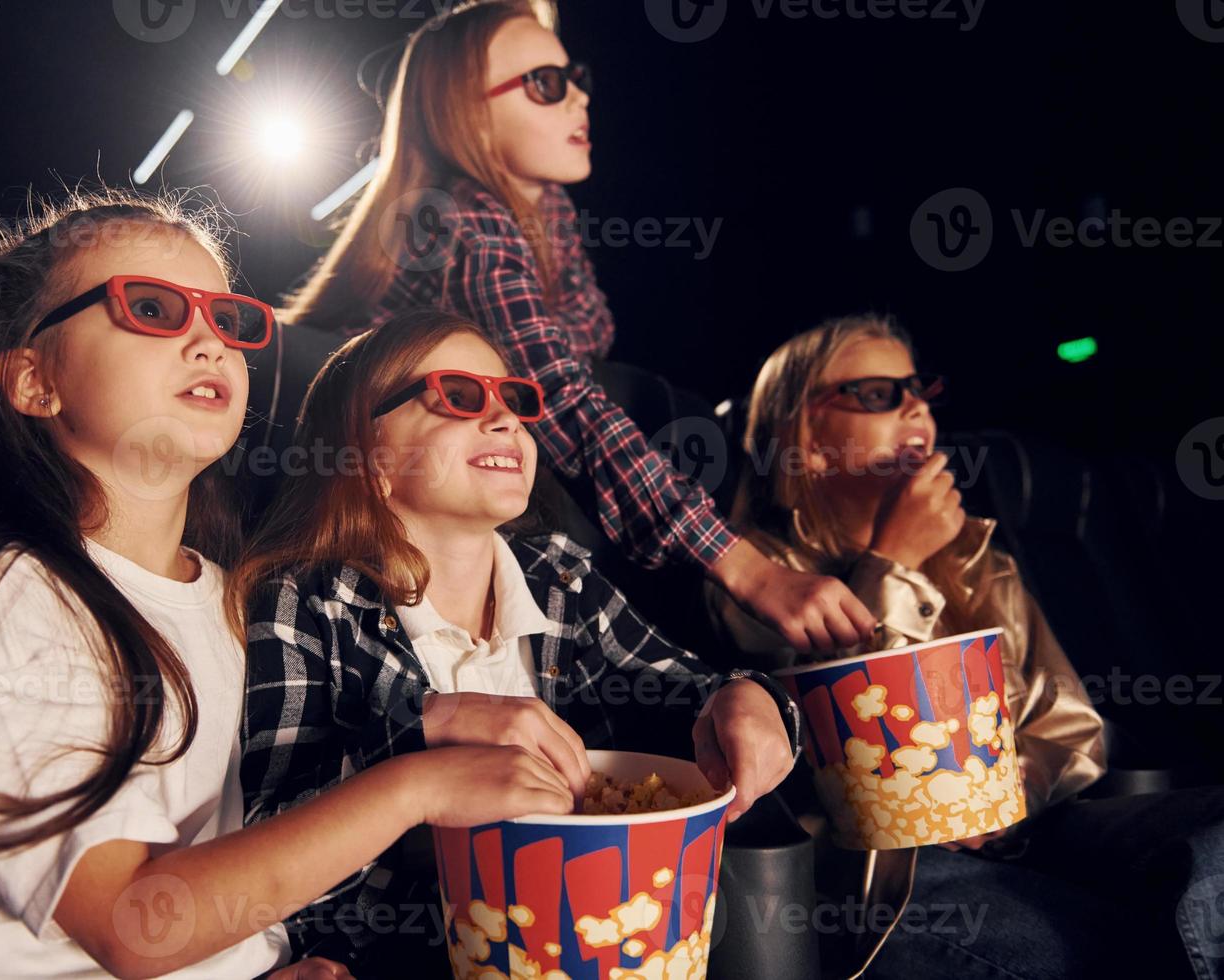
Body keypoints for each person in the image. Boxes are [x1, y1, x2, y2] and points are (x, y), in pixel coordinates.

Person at [0, 190, 575, 980]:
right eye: (156, 308)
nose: (208, 341)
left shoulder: (238, 602)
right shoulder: (11, 598)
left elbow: (239, 874)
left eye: (227, 320)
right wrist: (415, 785)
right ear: (34, 381)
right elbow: (136, 926)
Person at [280, 0, 875, 655]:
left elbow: (583, 357)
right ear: (468, 111)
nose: (579, 101)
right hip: (376, 510)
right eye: (546, 84)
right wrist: (748, 569)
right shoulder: (466, 222)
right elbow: (566, 397)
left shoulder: (546, 215)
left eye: (576, 78)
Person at [232, 308, 803, 972]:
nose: (505, 418)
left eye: (515, 399)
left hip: (602, 936)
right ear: (367, 454)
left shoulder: (561, 579)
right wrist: (424, 739)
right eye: (461, 396)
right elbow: (265, 848)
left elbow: (693, 693)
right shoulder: (304, 601)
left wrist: (749, 702)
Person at [705, 312, 1224, 980]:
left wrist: (1014, 790)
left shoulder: (980, 562)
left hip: (1036, 827)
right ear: (800, 436)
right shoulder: (755, 576)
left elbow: (1070, 726)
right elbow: (850, 759)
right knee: (1099, 951)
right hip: (882, 869)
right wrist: (891, 565)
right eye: (877, 393)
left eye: (918, 389)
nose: (915, 406)